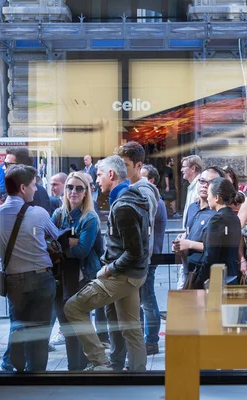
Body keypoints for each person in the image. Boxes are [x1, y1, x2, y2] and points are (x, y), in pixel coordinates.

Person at [64, 156, 149, 372]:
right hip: (131, 275)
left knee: (72, 307)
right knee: (131, 329)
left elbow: (135, 251)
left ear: (111, 175)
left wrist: (109, 269)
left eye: (99, 174)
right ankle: (135, 373)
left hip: (122, 275)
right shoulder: (130, 198)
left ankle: (100, 361)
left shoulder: (123, 204)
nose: (96, 180)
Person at [0, 165, 59, 371]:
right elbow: (58, 237)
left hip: (12, 280)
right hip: (41, 279)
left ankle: (16, 370)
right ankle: (36, 374)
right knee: (39, 332)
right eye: (33, 185)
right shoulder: (38, 213)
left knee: (18, 326)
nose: (36, 189)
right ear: (22, 188)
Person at [113, 141, 159, 367]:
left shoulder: (143, 191)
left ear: (138, 165)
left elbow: (144, 231)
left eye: (125, 164)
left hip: (136, 263)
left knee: (137, 313)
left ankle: (136, 364)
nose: (121, 169)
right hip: (133, 261)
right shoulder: (130, 188)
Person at [51, 172, 101, 371]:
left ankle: (80, 367)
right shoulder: (58, 214)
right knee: (65, 325)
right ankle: (75, 368)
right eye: (70, 187)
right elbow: (49, 243)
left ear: (86, 192)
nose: (74, 191)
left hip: (82, 277)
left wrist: (62, 244)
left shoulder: (90, 218)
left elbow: (82, 251)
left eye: (79, 188)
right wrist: (69, 242)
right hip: (60, 277)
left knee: (79, 325)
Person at [172, 167, 223, 288]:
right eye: (202, 181)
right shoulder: (192, 207)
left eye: (211, 183)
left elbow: (219, 248)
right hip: (188, 269)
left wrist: (189, 244)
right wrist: (179, 242)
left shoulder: (219, 213)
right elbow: (188, 230)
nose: (205, 185)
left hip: (208, 273)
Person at [140, 164, 167, 355]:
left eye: (142, 177)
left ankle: (151, 340)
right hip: (147, 256)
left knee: (148, 299)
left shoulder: (156, 201)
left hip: (149, 257)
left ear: (150, 181)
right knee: (144, 299)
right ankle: (148, 338)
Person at [198, 177, 242, 288]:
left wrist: (198, 280)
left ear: (217, 197)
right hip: (231, 275)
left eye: (209, 194)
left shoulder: (217, 220)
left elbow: (210, 255)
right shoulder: (234, 217)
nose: (207, 198)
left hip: (217, 279)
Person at [177, 155, 204, 289]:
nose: (181, 169)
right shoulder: (192, 185)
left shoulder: (199, 186)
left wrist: (187, 237)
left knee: (188, 280)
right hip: (188, 236)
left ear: (193, 168)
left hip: (194, 240)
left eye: (184, 167)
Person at [4, 147, 51, 212]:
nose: (3, 167)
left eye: (7, 164)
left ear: (20, 167)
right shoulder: (16, 190)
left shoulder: (34, 193)